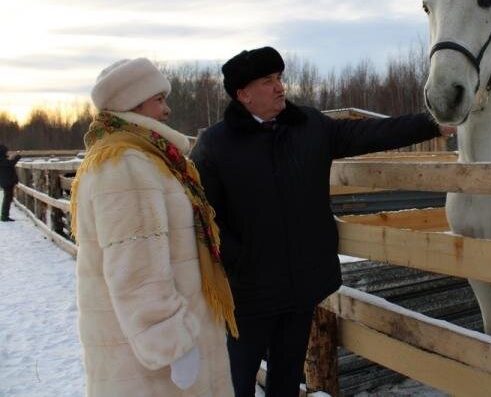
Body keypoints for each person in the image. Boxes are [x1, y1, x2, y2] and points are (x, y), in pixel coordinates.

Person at [190, 46, 451, 396]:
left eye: (279, 78)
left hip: (301, 287)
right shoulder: (216, 144)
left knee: (286, 380)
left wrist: (431, 123)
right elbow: (203, 215)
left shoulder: (309, 126)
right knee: (235, 382)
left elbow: (370, 134)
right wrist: (240, 258)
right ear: (243, 94)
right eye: (267, 81)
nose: (280, 87)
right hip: (248, 296)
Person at [71, 58, 236, 396]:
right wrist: (173, 345)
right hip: (154, 368)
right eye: (159, 99)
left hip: (152, 349)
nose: (168, 109)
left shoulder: (143, 157)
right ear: (131, 103)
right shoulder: (125, 164)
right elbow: (136, 269)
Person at [0, 144, 22, 222]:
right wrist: (18, 156)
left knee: (8, 198)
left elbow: (9, 163)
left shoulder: (2, 159)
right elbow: (10, 163)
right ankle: (4, 216)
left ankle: (5, 215)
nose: (7, 153)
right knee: (7, 198)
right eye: (6, 151)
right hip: (6, 182)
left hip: (6, 181)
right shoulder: (1, 159)